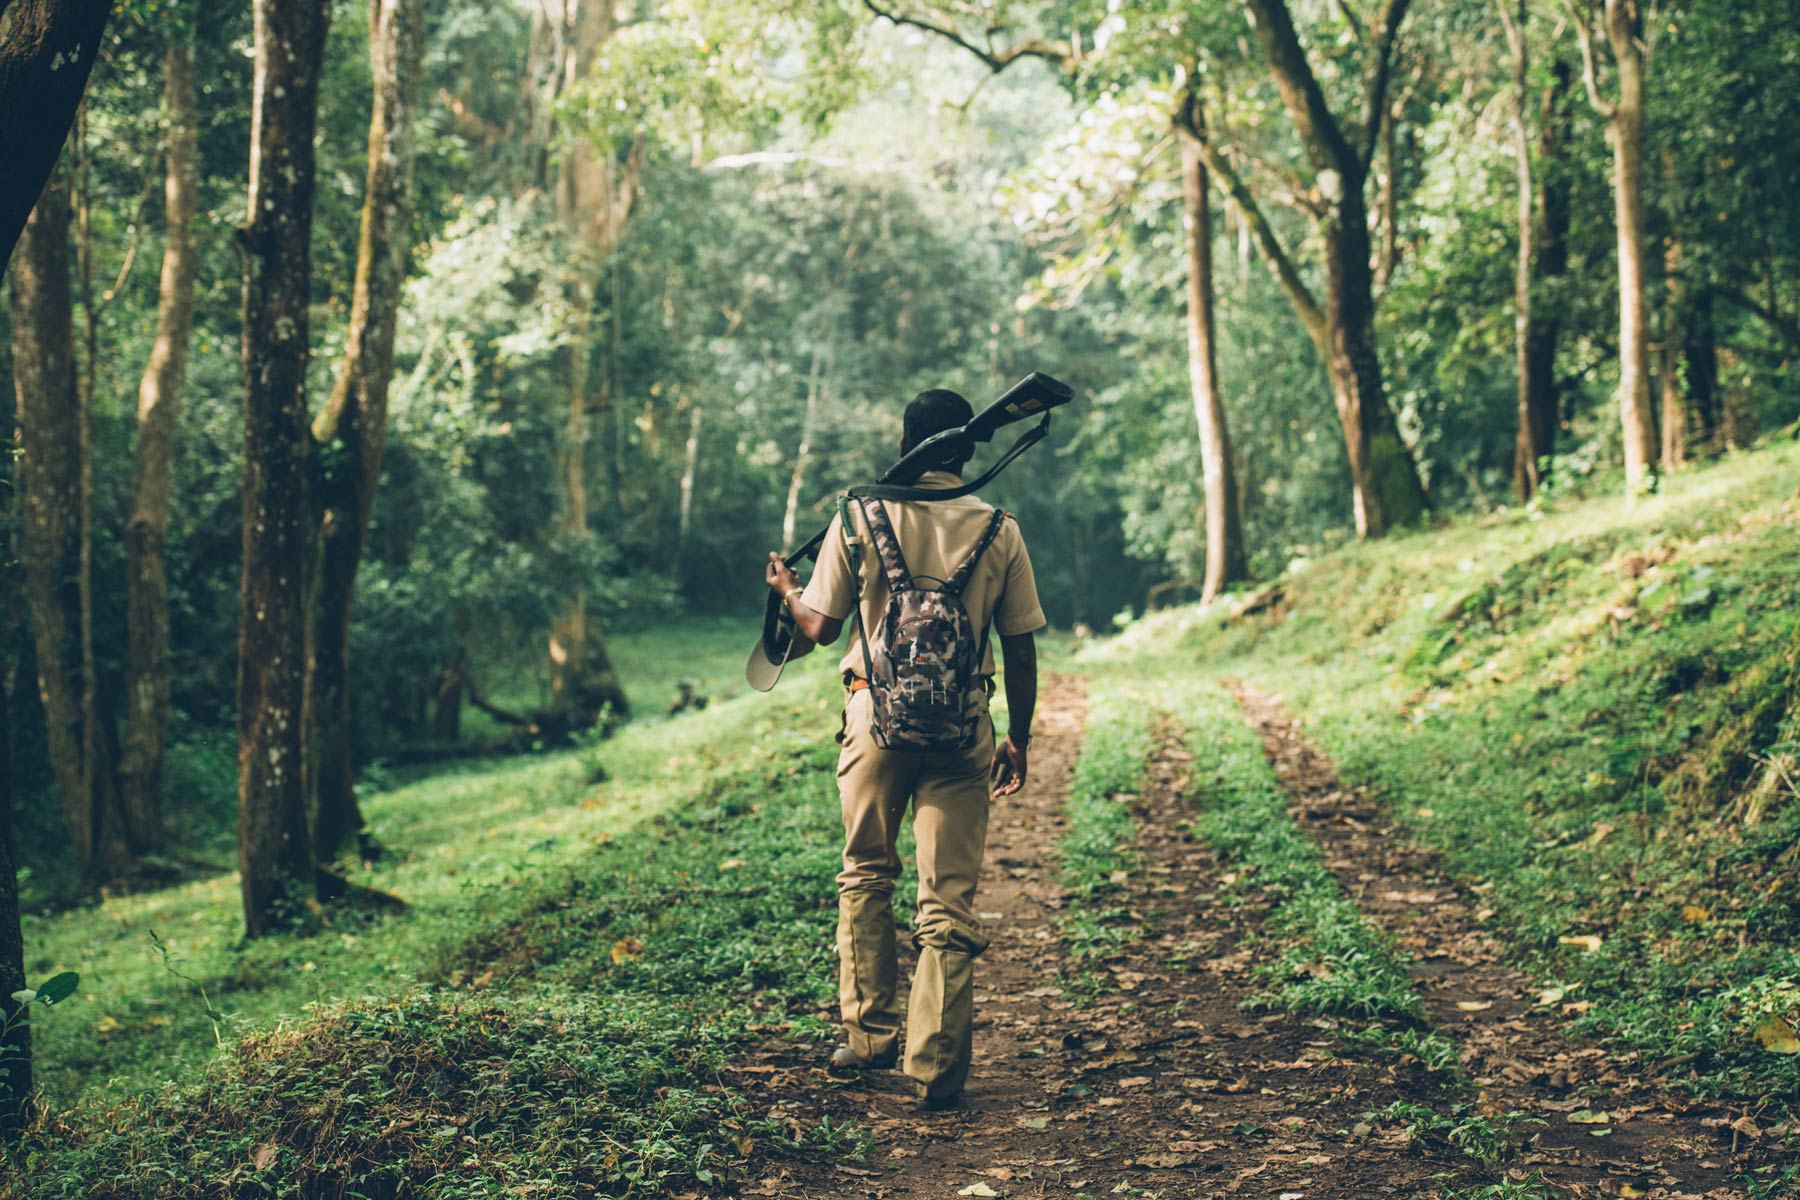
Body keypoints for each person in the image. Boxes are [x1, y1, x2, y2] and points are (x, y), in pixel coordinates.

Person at [764, 387, 1045, 1109]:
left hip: (873, 719)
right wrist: (1016, 735)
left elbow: (819, 629)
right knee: (947, 900)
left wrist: (788, 591)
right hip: (962, 727)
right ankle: (936, 1067)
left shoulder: (861, 513)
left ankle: (868, 1036)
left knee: (866, 872)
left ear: (904, 442)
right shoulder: (999, 526)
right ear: (968, 448)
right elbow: (1020, 647)